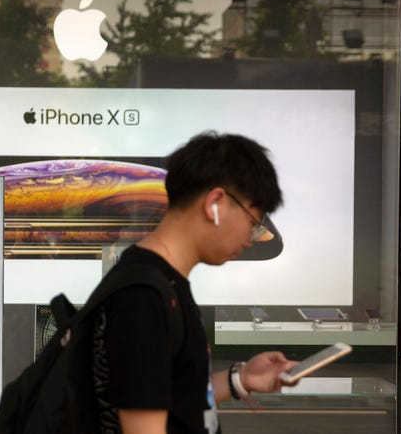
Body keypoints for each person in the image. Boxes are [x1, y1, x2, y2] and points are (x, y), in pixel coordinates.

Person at [92, 131, 298, 434]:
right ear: (215, 203)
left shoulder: (164, 281)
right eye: (252, 223)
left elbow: (170, 392)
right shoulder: (143, 296)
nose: (250, 239)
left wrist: (241, 379)